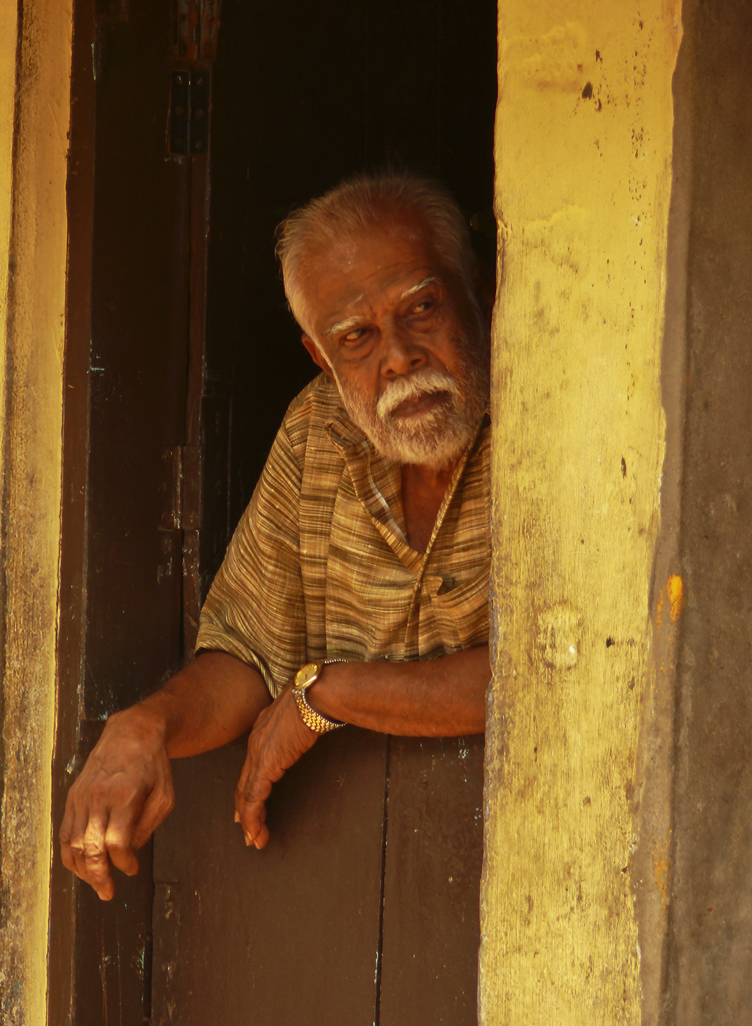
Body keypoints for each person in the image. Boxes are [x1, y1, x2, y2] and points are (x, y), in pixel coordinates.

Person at [60, 171, 492, 900]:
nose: (396, 355)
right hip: (351, 894)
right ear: (319, 355)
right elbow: (251, 658)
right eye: (355, 336)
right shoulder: (317, 431)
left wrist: (329, 694)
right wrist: (144, 727)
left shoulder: (555, 409)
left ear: (476, 290)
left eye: (420, 308)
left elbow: (568, 668)